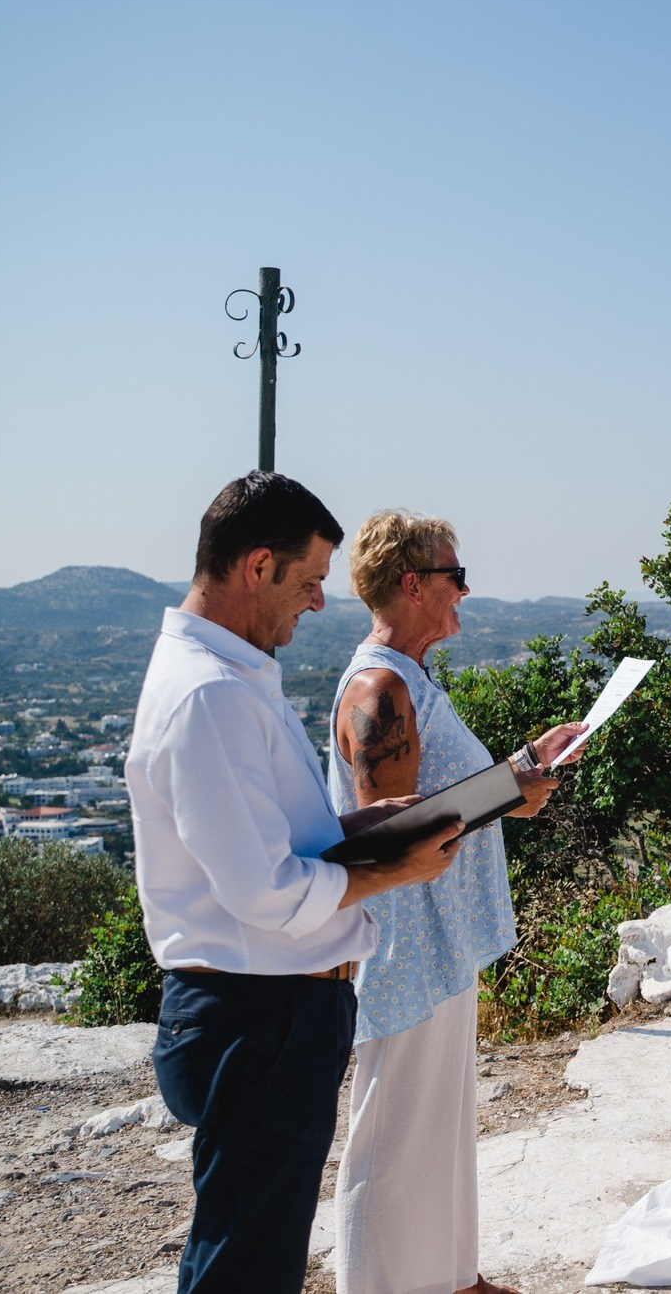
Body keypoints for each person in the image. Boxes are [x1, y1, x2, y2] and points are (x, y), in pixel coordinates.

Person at [129, 472, 466, 1294]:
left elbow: (278, 846)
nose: (319, 601)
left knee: (257, 1253)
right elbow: (264, 891)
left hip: (273, 1011)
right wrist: (398, 863)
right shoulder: (209, 694)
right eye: (310, 579)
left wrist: (368, 825)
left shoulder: (230, 677)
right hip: (258, 1018)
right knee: (244, 1266)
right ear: (256, 566)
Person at [327, 510, 586, 1294]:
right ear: (412, 583)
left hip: (436, 942)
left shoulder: (410, 678)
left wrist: (522, 773)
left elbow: (436, 802)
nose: (466, 589)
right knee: (392, 1134)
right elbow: (394, 831)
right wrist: (512, 782)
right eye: (455, 575)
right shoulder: (379, 687)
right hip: (403, 946)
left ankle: (448, 1277)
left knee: (438, 1126)